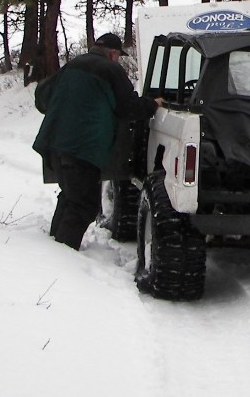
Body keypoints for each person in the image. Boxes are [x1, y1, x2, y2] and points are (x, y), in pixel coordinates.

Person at [32, 33, 162, 250]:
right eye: (118, 56)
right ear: (112, 53)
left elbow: (42, 98)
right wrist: (153, 104)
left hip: (54, 144)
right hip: (82, 149)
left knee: (70, 197)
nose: (118, 60)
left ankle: (53, 247)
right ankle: (62, 255)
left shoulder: (73, 65)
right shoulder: (111, 70)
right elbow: (128, 108)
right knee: (83, 205)